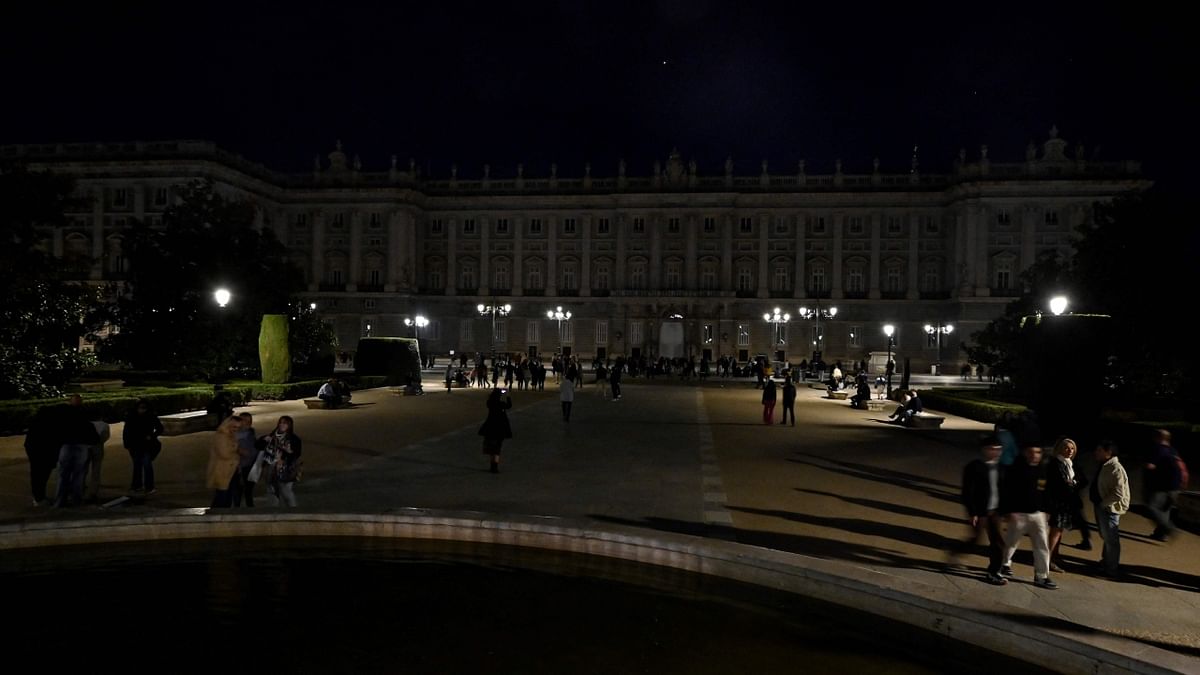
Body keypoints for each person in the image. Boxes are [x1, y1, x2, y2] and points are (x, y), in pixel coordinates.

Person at [998, 445, 1057, 589]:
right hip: (1019, 514)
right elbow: (1007, 491)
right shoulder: (1016, 470)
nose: (1034, 455)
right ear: (1025, 452)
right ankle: (1004, 564)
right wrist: (1008, 511)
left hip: (1038, 515)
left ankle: (1042, 575)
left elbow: (1046, 492)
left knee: (1042, 545)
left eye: (1038, 452)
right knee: (1011, 542)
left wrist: (1047, 510)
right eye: (1031, 452)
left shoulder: (1042, 470)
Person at [951, 434, 1007, 585]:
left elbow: (1004, 490)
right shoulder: (974, 467)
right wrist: (973, 512)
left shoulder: (1002, 468)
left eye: (998, 449)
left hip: (995, 511)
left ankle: (994, 571)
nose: (995, 452)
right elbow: (968, 492)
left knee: (998, 542)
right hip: (980, 511)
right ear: (984, 450)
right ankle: (956, 554)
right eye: (991, 449)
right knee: (976, 539)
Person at [1090, 439, 1129, 578]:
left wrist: (1103, 504)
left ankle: (1111, 569)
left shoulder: (1115, 468)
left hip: (1109, 509)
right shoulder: (1105, 465)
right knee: (1107, 538)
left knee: (1111, 540)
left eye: (1099, 450)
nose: (1096, 453)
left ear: (1109, 452)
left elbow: (1118, 493)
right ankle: (1106, 563)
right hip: (1103, 506)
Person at [54, 395, 100, 508]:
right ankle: (76, 500)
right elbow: (91, 431)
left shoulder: (64, 414)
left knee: (63, 474)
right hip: (81, 446)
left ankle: (60, 500)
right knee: (78, 475)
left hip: (67, 445)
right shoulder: (84, 413)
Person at [1044, 437, 1081, 572]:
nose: (1070, 450)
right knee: (1055, 532)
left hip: (1064, 503)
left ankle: (1054, 556)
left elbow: (1072, 482)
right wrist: (1072, 484)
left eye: (1072, 448)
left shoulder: (1068, 463)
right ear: (1060, 448)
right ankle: (1048, 560)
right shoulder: (1056, 463)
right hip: (1057, 503)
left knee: (1058, 532)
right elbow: (1061, 484)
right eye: (1066, 448)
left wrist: (1073, 483)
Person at [1144, 428, 1182, 541]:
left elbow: (1150, 466)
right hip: (1175, 486)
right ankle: (1161, 534)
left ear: (1158, 438)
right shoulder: (1173, 450)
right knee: (1164, 510)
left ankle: (1169, 528)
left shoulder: (1158, 449)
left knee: (1152, 508)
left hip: (1161, 486)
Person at [123, 398, 163, 496]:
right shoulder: (131, 417)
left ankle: (148, 486)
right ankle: (138, 486)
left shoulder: (151, 416)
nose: (142, 410)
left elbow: (160, 428)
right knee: (138, 465)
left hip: (145, 444)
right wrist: (127, 444)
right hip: (135, 444)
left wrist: (152, 436)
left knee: (146, 465)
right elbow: (126, 431)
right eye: (140, 408)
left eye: (143, 408)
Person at [259, 416, 303, 507]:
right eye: (281, 422)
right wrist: (263, 440)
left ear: (289, 425)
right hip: (271, 466)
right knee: (271, 491)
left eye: (285, 423)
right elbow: (258, 446)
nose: (282, 425)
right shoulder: (272, 436)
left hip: (286, 468)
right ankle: (274, 512)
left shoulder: (294, 439)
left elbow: (296, 454)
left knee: (286, 491)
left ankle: (293, 511)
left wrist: (288, 453)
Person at [23, 405, 62, 506]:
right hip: (44, 456)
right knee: (41, 478)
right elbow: (54, 442)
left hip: (37, 456)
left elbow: (28, 443)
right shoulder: (50, 426)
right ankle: (39, 498)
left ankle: (38, 497)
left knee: (36, 477)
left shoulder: (35, 424)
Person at [207, 415, 242, 508]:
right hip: (223, 470)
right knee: (222, 496)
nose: (236, 429)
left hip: (230, 470)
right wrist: (236, 454)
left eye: (238, 427)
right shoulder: (222, 436)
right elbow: (224, 454)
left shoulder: (230, 435)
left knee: (226, 496)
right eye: (234, 427)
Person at [479, 388, 513, 473]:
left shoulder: (490, 403)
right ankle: (495, 466)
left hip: (490, 426)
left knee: (491, 447)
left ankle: (491, 466)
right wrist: (507, 396)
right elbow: (509, 406)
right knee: (498, 447)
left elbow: (490, 401)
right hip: (500, 427)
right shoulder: (501, 404)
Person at [82, 412, 111, 504]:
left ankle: (80, 487)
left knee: (83, 469)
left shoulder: (86, 424)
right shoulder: (104, 425)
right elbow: (105, 437)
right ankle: (93, 491)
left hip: (86, 447)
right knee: (96, 469)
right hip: (98, 447)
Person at [231, 412, 258, 507]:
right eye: (243, 421)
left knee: (247, 491)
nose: (246, 423)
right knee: (238, 492)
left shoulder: (249, 434)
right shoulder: (235, 434)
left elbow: (251, 452)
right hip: (239, 466)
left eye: (248, 421)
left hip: (247, 465)